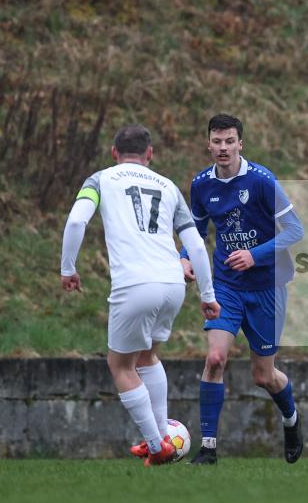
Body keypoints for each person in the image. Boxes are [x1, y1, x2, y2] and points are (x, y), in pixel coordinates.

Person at [60, 124, 220, 467]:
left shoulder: (101, 179)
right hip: (172, 284)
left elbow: (76, 223)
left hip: (135, 285)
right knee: (148, 358)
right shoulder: (169, 187)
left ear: (114, 153)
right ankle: (161, 436)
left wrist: (67, 269)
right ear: (150, 155)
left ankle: (155, 443)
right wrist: (207, 295)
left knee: (119, 364)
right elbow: (195, 245)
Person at [180, 113, 305, 465]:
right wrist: (184, 256)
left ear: (240, 144)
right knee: (215, 359)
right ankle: (208, 448)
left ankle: (291, 420)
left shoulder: (262, 181)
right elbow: (196, 230)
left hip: (268, 285)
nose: (223, 148)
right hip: (226, 285)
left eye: (229, 141)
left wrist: (255, 254)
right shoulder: (202, 184)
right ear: (208, 143)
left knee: (263, 376)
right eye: (216, 141)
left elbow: (295, 230)